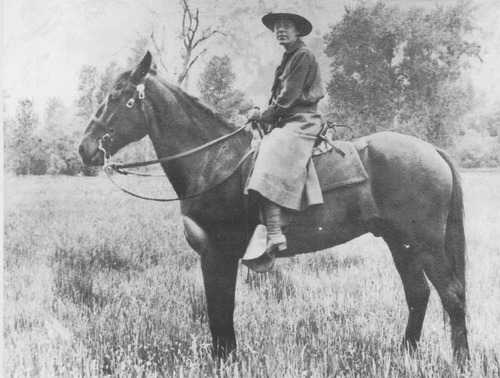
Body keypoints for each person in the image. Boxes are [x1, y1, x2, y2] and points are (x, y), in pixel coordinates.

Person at [246, 9, 325, 256]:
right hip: (288, 118)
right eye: (277, 26)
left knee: (270, 149)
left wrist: (262, 115)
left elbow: (287, 100)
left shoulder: (302, 55)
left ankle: (274, 231)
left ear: (298, 30)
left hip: (302, 120)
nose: (280, 30)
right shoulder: (288, 57)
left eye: (287, 25)